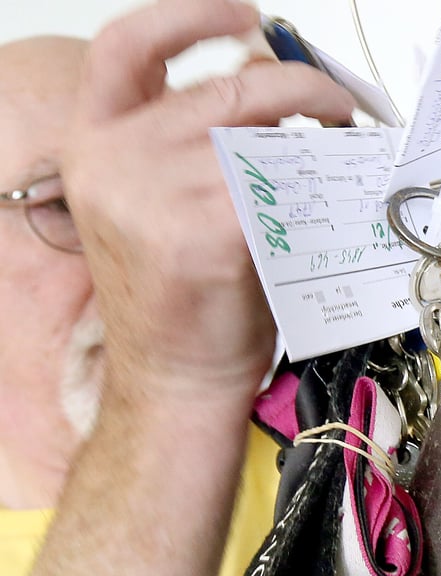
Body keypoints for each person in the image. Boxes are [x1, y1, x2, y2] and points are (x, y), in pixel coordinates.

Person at [0, 0, 356, 574]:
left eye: (159, 188)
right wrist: (171, 381)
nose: (147, 236)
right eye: (60, 204)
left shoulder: (348, 416)